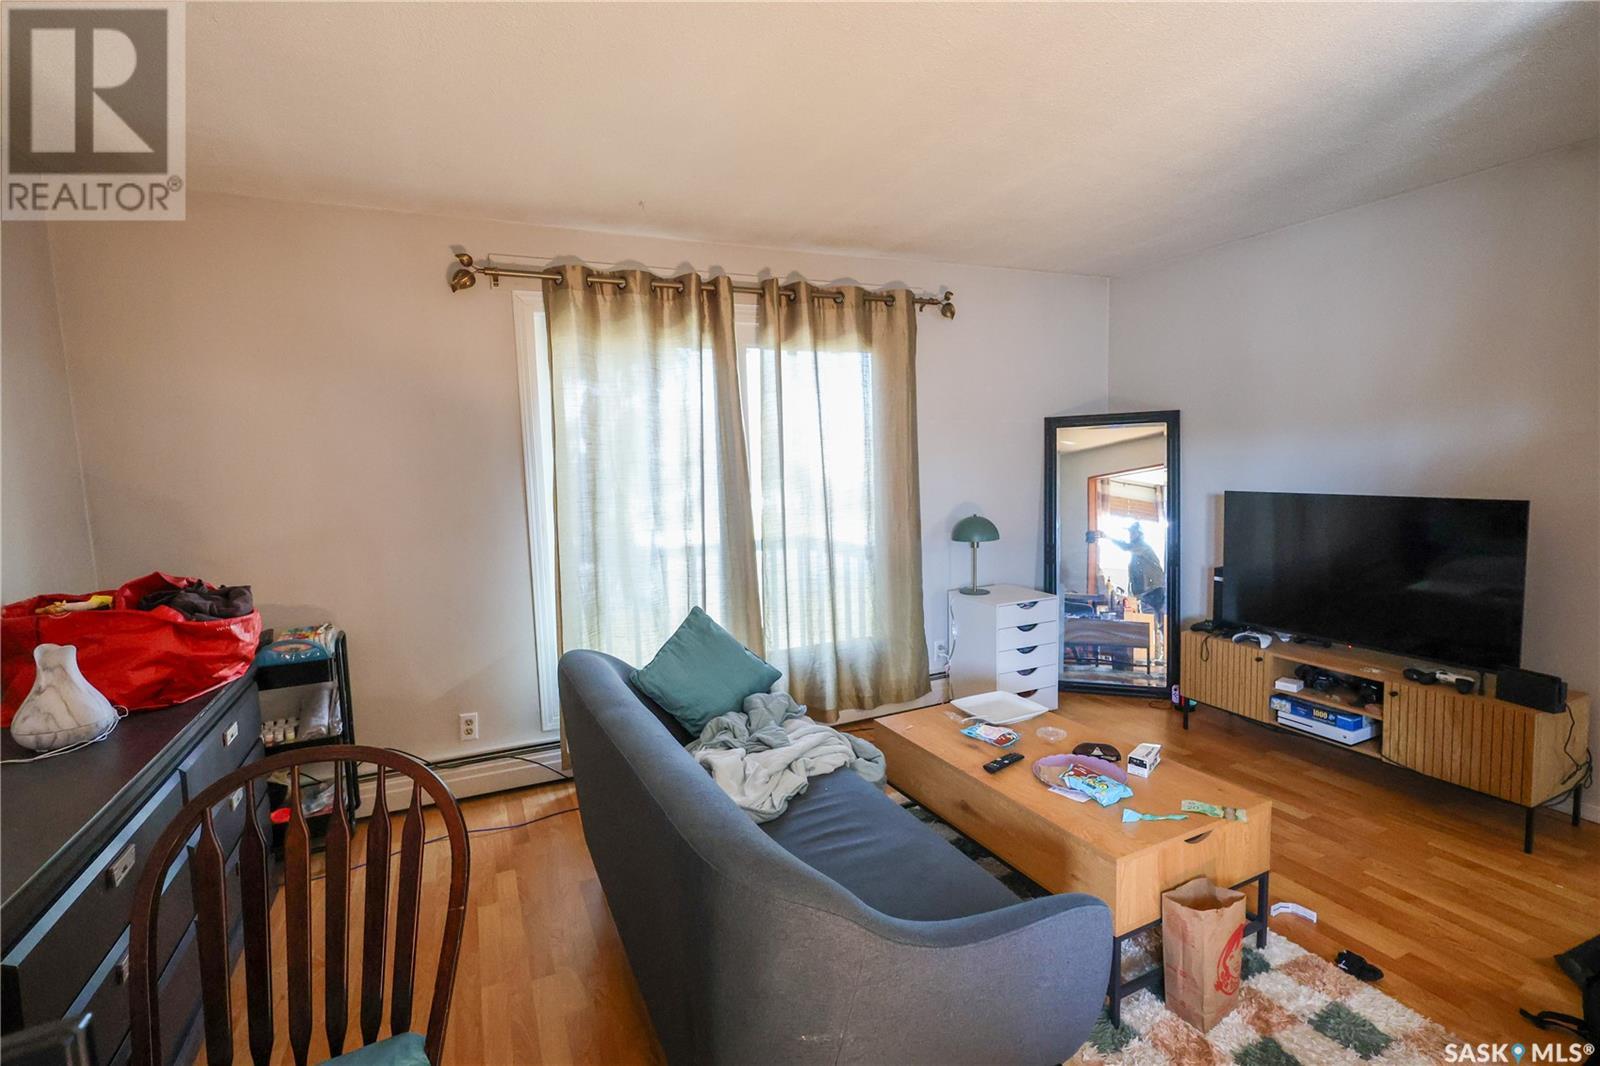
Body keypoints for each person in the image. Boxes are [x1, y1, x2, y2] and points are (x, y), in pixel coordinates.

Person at [1098, 522, 1165, 615]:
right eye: (1130, 532)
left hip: (1153, 590)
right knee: (1148, 617)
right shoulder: (1136, 554)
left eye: (1133, 532)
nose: (1130, 535)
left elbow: (1126, 547)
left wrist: (1107, 537)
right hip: (1146, 592)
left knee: (1153, 617)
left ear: (1140, 534)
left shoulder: (1142, 546)